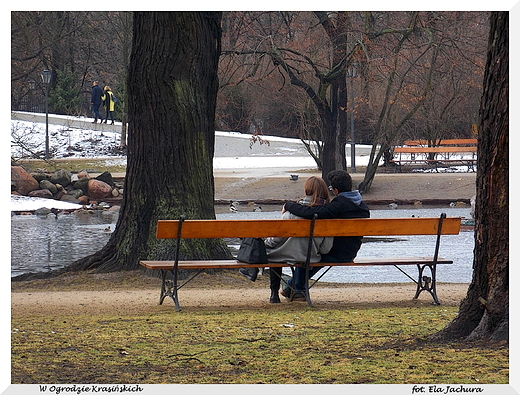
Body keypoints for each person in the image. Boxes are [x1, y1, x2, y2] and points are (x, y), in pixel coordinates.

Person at [239, 176, 333, 303]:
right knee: (282, 253)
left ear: (306, 190)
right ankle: (297, 290)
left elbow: (275, 240)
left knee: (272, 254)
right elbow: (325, 249)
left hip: (284, 256)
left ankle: (274, 294)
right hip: (310, 257)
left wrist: (266, 243)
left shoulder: (290, 214)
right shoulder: (327, 216)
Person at [281, 169, 370, 296]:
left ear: (336, 190)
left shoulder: (338, 205)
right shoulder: (363, 207)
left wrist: (289, 205)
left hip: (334, 253)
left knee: (306, 253)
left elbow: (311, 213)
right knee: (309, 254)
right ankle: (291, 286)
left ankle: (297, 288)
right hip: (351, 253)